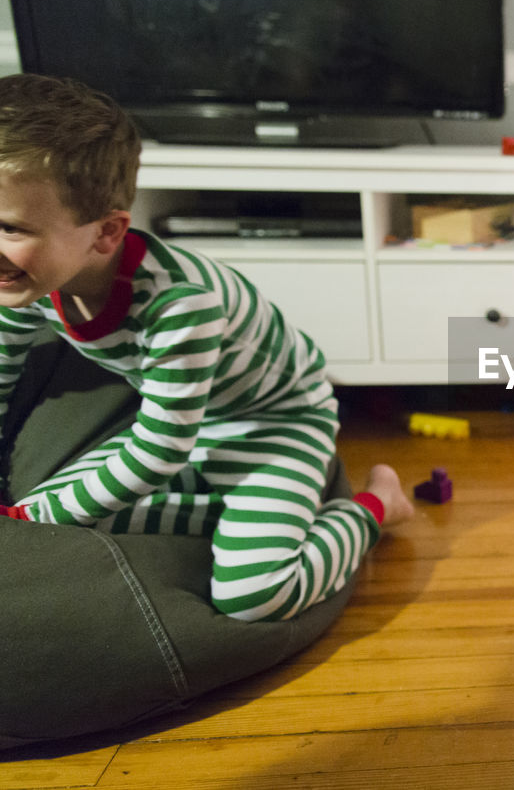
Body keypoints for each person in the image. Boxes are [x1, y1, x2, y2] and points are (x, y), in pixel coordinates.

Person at [0, 73, 412, 622]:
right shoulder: (25, 284)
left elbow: (161, 450)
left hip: (273, 423)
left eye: (9, 228)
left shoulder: (179, 306)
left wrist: (30, 516)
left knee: (251, 598)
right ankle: (227, 513)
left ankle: (375, 508)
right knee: (66, 510)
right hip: (184, 426)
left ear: (105, 232)